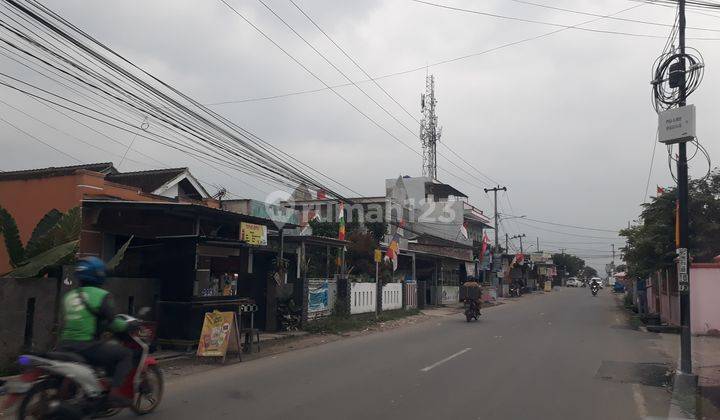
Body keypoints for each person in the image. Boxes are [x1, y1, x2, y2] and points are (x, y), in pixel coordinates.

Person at [58, 257, 133, 407]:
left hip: (64, 345)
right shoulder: (101, 295)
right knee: (125, 354)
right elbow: (113, 323)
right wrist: (127, 326)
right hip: (86, 346)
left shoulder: (69, 296)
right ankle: (115, 393)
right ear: (99, 274)